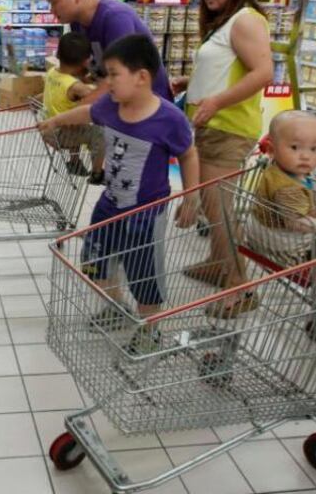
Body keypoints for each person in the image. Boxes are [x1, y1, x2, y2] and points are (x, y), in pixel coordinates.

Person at [39, 35, 199, 355]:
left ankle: (149, 329)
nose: (106, 81)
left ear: (141, 77)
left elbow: (189, 155)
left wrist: (191, 196)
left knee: (143, 274)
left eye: (113, 74)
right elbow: (86, 113)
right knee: (95, 261)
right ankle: (116, 307)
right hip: (110, 202)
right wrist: (55, 121)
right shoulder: (110, 107)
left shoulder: (169, 118)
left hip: (146, 213)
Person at [170, 0, 273, 318]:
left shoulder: (246, 20)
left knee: (219, 209)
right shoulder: (227, 23)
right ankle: (217, 263)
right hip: (210, 125)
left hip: (227, 129)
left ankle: (239, 288)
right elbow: (227, 68)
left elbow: (263, 72)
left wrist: (216, 100)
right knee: (215, 209)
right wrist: (190, 83)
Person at [37, 0, 173, 103]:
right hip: (119, 102)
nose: (51, 10)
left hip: (149, 108)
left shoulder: (116, 18)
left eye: (54, 2)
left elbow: (121, 79)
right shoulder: (76, 22)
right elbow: (84, 69)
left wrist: (75, 111)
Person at [247, 111, 316, 262]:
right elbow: (296, 223)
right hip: (282, 244)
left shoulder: (278, 168)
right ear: (272, 150)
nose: (305, 156)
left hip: (262, 231)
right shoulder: (288, 189)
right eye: (295, 147)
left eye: (314, 149)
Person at [43, 33, 104, 180]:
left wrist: (88, 79)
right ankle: (97, 173)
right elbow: (97, 97)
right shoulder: (75, 87)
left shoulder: (52, 72)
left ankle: (75, 163)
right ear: (86, 61)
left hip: (49, 130)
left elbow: (73, 80)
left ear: (58, 54)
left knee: (73, 118)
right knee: (99, 134)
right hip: (62, 134)